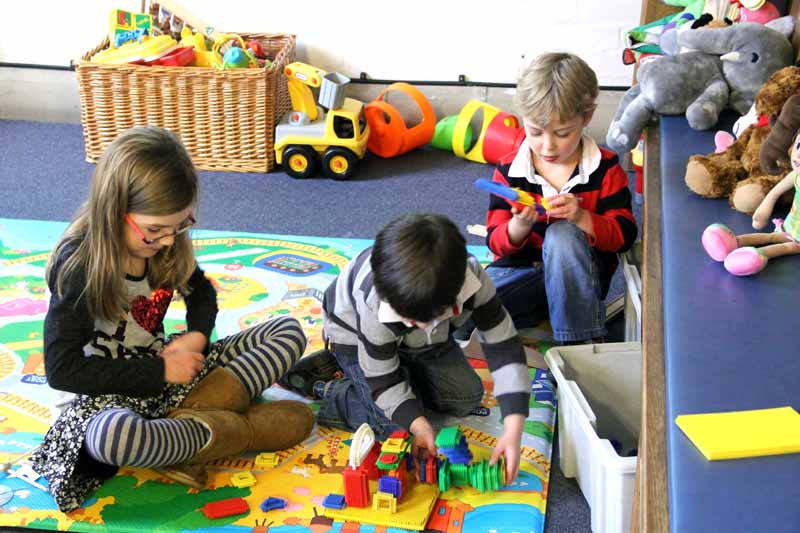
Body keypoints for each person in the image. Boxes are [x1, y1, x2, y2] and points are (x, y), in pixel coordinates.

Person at [29, 126, 314, 513]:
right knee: (111, 438)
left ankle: (187, 429)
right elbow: (62, 371)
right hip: (104, 402)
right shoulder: (80, 269)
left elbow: (201, 292)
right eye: (155, 230)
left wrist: (197, 335)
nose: (167, 240)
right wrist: (159, 371)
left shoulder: (162, 243)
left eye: (179, 226)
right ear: (114, 211)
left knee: (287, 331)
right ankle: (229, 429)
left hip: (169, 377)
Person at [282, 213, 531, 484]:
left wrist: (514, 426)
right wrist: (417, 422)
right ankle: (328, 387)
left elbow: (504, 345)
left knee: (467, 397)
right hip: (355, 339)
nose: (421, 325)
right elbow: (383, 378)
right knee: (394, 430)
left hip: (428, 343)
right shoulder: (374, 302)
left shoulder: (472, 279)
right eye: (411, 320)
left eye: (430, 318)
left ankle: (401, 371)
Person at [481, 52, 637, 344]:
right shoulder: (509, 169)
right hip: (523, 275)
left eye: (563, 133)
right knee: (466, 310)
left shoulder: (604, 168)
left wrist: (582, 218)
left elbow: (624, 236)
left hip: (581, 282)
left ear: (587, 117)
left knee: (562, 234)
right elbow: (495, 241)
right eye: (535, 132)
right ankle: (544, 318)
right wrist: (519, 227)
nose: (547, 145)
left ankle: (578, 343)